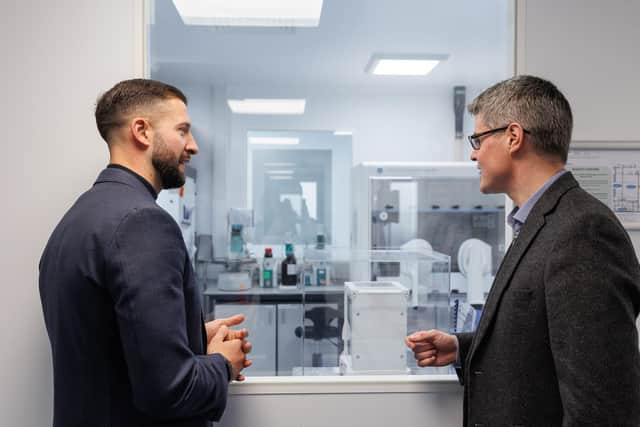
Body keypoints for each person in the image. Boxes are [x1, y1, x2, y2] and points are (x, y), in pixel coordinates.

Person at [406, 75, 640, 426]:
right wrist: (462, 347)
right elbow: (541, 339)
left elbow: (602, 404)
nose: (473, 153)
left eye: (479, 139)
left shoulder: (584, 231)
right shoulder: (540, 222)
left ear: (513, 137)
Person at [39, 79, 252, 427]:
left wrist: (191, 336)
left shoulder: (77, 218)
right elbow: (170, 390)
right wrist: (222, 362)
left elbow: (107, 346)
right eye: (183, 131)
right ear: (142, 131)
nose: (193, 146)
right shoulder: (142, 224)